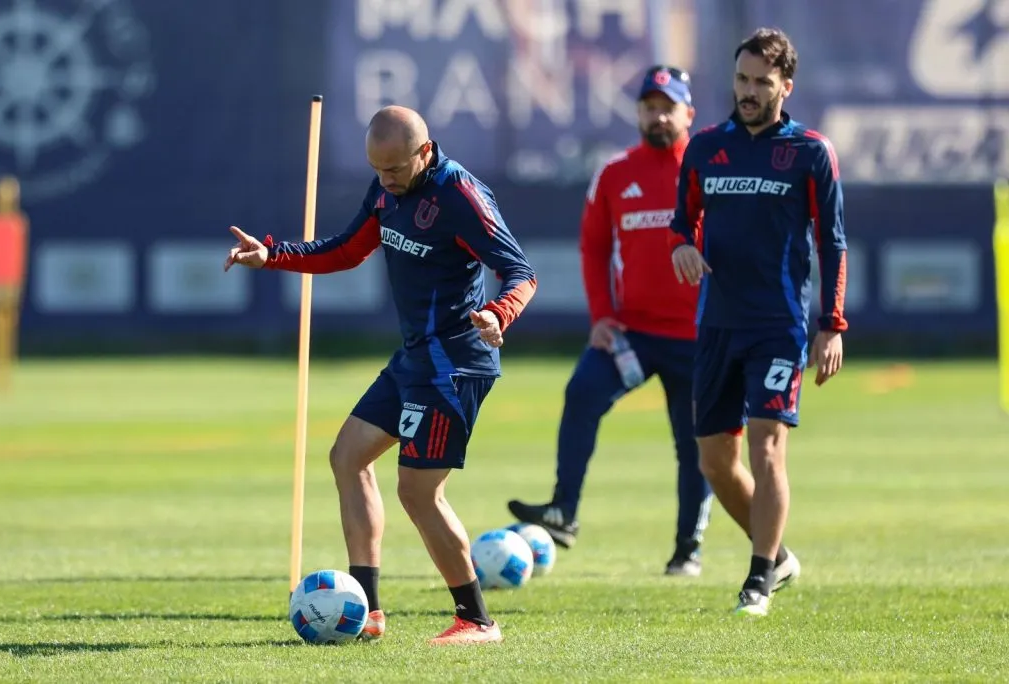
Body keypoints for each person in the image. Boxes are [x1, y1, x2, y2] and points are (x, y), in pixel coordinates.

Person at [224, 106, 537, 645]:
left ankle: (477, 620)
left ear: (426, 150)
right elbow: (346, 250)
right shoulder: (385, 190)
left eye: (394, 169)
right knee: (347, 457)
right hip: (416, 357)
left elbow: (521, 272)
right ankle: (366, 610)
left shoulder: (460, 197)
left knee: (417, 492)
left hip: (455, 363)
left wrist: (499, 312)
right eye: (377, 170)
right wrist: (272, 254)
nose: (386, 180)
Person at [506, 66, 713, 576]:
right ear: (638, 112)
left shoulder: (709, 170)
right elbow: (594, 247)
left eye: (669, 105)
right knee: (583, 391)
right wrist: (601, 316)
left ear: (689, 113)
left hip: (700, 334)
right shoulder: (616, 174)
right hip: (634, 333)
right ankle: (564, 512)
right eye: (649, 105)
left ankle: (688, 549)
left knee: (694, 444)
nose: (658, 114)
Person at [670, 27, 847, 616]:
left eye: (761, 83)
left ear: (785, 86)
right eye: (742, 79)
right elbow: (681, 224)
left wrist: (832, 325)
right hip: (717, 324)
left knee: (768, 448)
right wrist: (681, 247)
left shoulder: (809, 152)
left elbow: (833, 242)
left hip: (778, 325)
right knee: (715, 462)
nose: (748, 91)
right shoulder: (704, 148)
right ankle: (778, 555)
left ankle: (758, 579)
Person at [0, 176, 30, 394]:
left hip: (11, 280)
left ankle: (7, 368)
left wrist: (18, 281)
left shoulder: (19, 223)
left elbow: (19, 255)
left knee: (9, 324)